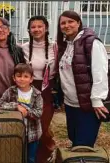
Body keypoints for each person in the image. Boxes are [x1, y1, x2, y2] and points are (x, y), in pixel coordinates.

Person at [57, 10, 109, 147]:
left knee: (83, 144)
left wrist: (97, 100)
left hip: (87, 105)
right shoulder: (66, 45)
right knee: (74, 138)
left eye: (70, 22)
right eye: (63, 23)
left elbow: (100, 72)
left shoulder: (91, 43)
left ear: (78, 23)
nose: (66, 25)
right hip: (70, 103)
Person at [22, 16, 57, 163]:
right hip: (28, 90)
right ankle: (29, 157)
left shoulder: (55, 47)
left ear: (46, 28)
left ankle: (45, 155)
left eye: (39, 26)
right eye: (33, 27)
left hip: (47, 90)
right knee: (28, 128)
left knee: (42, 127)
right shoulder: (23, 47)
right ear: (29, 30)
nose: (36, 29)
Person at [0, 63, 43, 163]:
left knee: (30, 159)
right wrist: (16, 106)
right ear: (14, 78)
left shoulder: (37, 94)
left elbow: (39, 113)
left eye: (26, 76)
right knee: (16, 157)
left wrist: (26, 112)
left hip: (32, 135)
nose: (22, 79)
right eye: (19, 76)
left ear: (31, 79)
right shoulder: (10, 91)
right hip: (14, 133)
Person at [0, 17, 25, 107]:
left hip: (13, 100)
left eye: (4, 27)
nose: (0, 30)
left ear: (8, 31)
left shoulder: (17, 51)